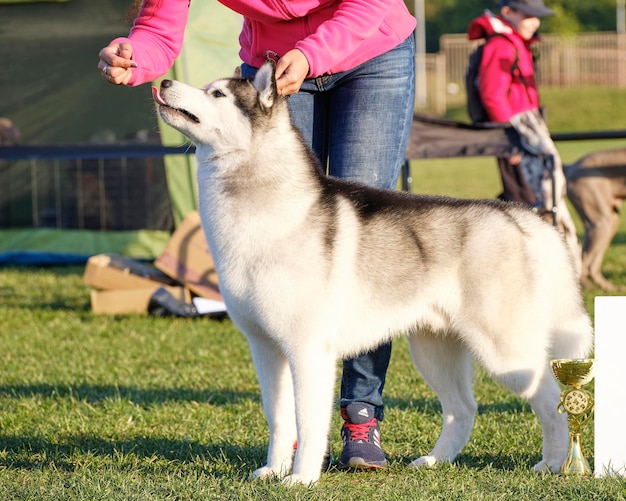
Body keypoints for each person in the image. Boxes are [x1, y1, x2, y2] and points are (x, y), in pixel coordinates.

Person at [98, 0, 416, 470]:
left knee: (362, 250)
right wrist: (133, 54)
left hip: (371, 51)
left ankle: (359, 413)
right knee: (282, 255)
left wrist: (312, 53)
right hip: (272, 71)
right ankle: (288, 437)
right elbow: (159, 28)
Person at [468, 0, 553, 208]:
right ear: (507, 12)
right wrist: (509, 140)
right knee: (525, 204)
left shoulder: (517, 41)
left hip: (526, 131)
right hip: (514, 133)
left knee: (531, 198)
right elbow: (492, 94)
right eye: (528, 16)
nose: (535, 23)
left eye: (537, 17)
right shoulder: (501, 44)